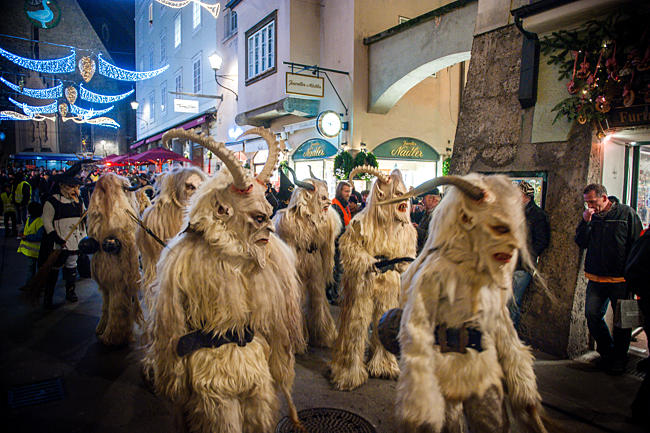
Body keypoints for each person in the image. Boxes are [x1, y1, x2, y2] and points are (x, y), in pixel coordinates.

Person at [575, 183, 642, 374]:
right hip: (596, 277)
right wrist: (585, 222)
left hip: (620, 279)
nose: (590, 206)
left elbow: (636, 244)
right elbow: (581, 242)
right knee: (592, 314)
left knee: (622, 322)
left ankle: (619, 359)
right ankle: (607, 352)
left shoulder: (626, 214)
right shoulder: (591, 217)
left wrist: (632, 274)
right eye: (587, 202)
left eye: (593, 202)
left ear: (604, 198)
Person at [39, 163, 88, 309]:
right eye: (72, 187)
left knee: (71, 266)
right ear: (63, 186)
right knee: (54, 268)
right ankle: (48, 296)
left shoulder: (78, 202)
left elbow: (83, 217)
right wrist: (55, 237)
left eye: (76, 187)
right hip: (59, 242)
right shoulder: (52, 201)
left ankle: (70, 291)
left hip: (74, 241)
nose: (75, 190)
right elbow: (47, 221)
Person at [509, 181, 550, 330]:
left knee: (512, 301)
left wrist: (525, 255)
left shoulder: (538, 215)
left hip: (522, 266)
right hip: (509, 263)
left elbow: (541, 241)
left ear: (525, 196)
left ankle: (510, 336)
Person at [17, 202, 44, 285]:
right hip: (32, 252)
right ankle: (31, 284)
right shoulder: (29, 219)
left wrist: (26, 237)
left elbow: (39, 236)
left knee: (32, 269)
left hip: (36, 251)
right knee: (31, 269)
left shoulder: (39, 221)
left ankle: (31, 285)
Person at [415, 188, 442, 253]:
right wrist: (417, 227)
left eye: (423, 199)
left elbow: (432, 237)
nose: (422, 202)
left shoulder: (439, 215)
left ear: (433, 199)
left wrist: (416, 230)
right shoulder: (427, 213)